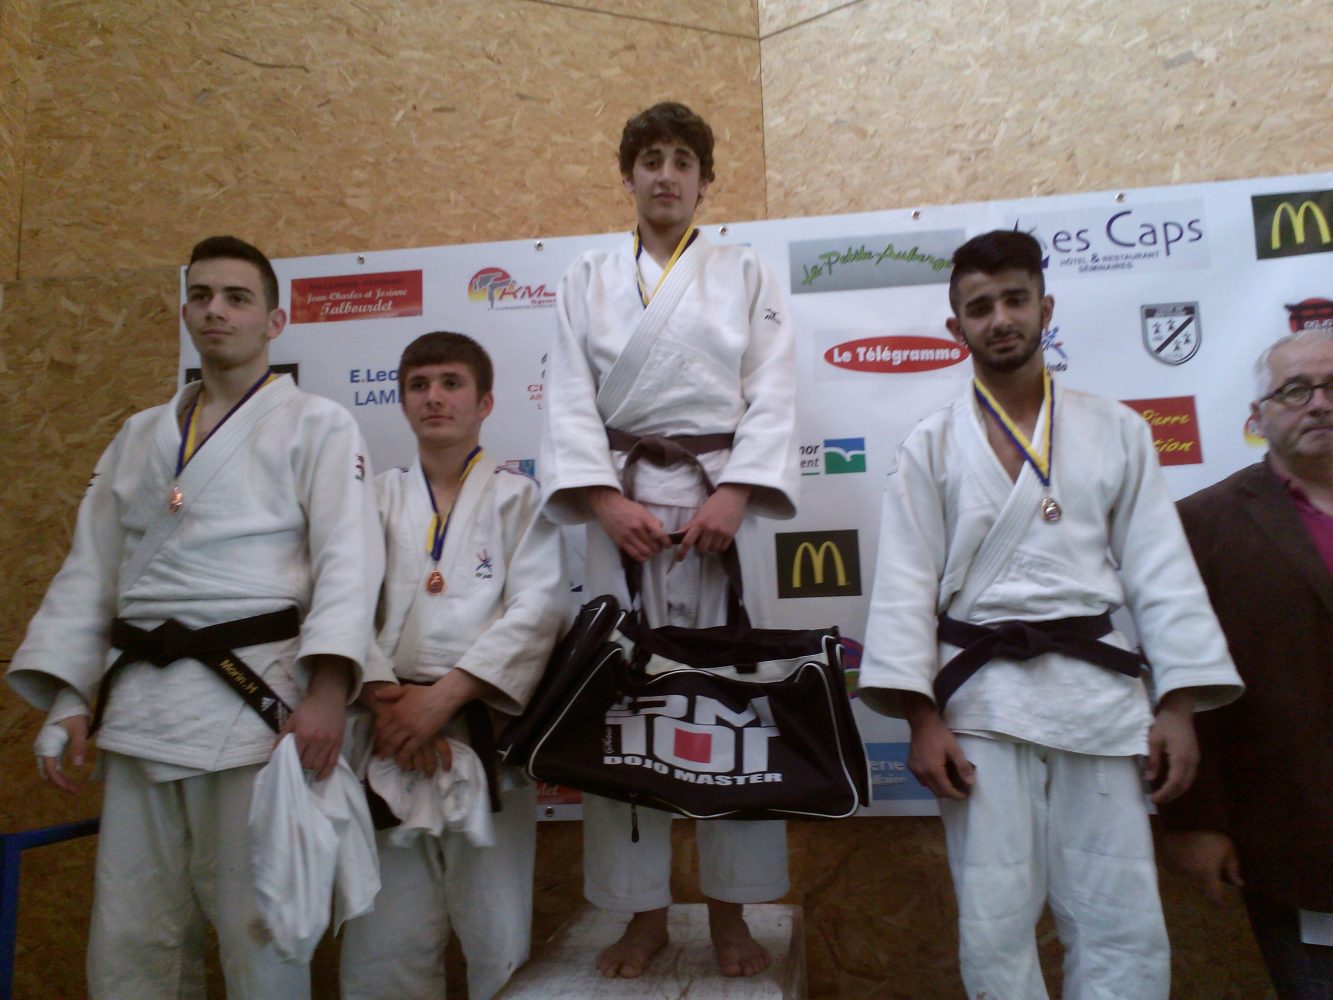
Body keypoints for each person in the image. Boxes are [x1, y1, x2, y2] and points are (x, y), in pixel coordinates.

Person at [857, 229, 1244, 1000]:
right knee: (993, 918)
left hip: (1097, 697)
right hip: (979, 704)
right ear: (956, 327)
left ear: (1045, 307)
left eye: (1014, 300)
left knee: (1119, 912)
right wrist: (919, 718)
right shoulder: (929, 446)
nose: (999, 319)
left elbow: (1161, 571)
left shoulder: (1117, 430)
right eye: (979, 307)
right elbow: (903, 587)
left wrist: (1176, 704)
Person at [8, 235, 381, 999]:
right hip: (139, 710)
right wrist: (72, 698)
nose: (217, 311)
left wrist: (327, 693)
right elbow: (93, 569)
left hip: (252, 708)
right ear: (185, 313)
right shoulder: (140, 435)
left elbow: (350, 560)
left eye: (237, 298)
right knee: (131, 933)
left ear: (274, 322)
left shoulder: (317, 423)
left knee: (260, 931)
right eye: (202, 296)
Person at [539, 101, 798, 979]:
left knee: (733, 707)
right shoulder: (585, 277)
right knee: (625, 706)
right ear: (628, 175)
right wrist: (603, 501)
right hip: (623, 511)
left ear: (704, 180)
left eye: (683, 160)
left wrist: (737, 492)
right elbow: (568, 398)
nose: (665, 175)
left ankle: (732, 912)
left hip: (722, 514)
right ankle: (641, 914)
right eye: (650, 159)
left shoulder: (745, 273)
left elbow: (773, 390)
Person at [339, 332, 568, 1000]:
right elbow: (342, 600)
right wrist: (387, 700)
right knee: (385, 938)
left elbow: (540, 610)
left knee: (498, 934)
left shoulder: (520, 499)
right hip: (386, 739)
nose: (434, 397)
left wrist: (441, 701)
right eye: (418, 385)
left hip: (484, 734)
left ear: (484, 402)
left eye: (450, 383)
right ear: (402, 401)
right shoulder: (375, 498)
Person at [1160, 329, 1333, 999]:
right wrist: (1194, 821)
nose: (1318, 403)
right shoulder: (1200, 525)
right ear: (1257, 415)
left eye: (1332, 387)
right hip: (1294, 839)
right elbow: (1180, 688)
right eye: (1295, 390)